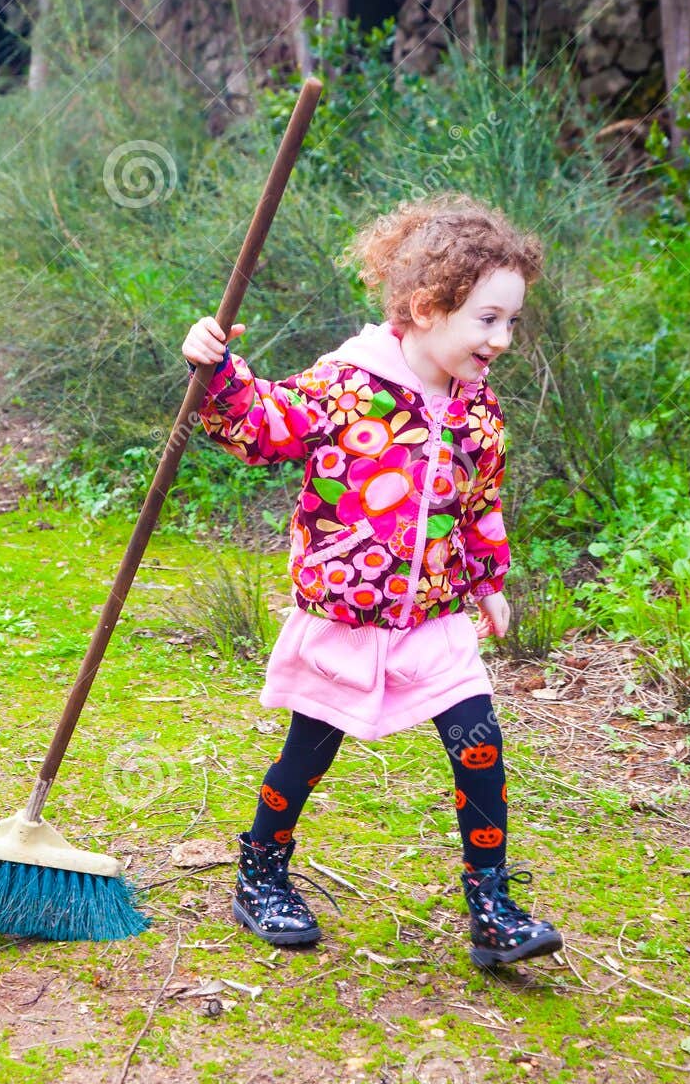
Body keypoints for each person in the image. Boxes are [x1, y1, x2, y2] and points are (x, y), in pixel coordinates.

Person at [180, 193, 563, 972]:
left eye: (511, 321)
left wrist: (487, 579)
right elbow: (263, 427)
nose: (502, 339)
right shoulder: (347, 385)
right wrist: (216, 372)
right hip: (346, 615)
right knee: (307, 752)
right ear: (426, 308)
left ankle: (490, 907)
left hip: (433, 616)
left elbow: (478, 502)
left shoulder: (478, 412)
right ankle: (261, 872)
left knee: (479, 744)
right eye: (488, 319)